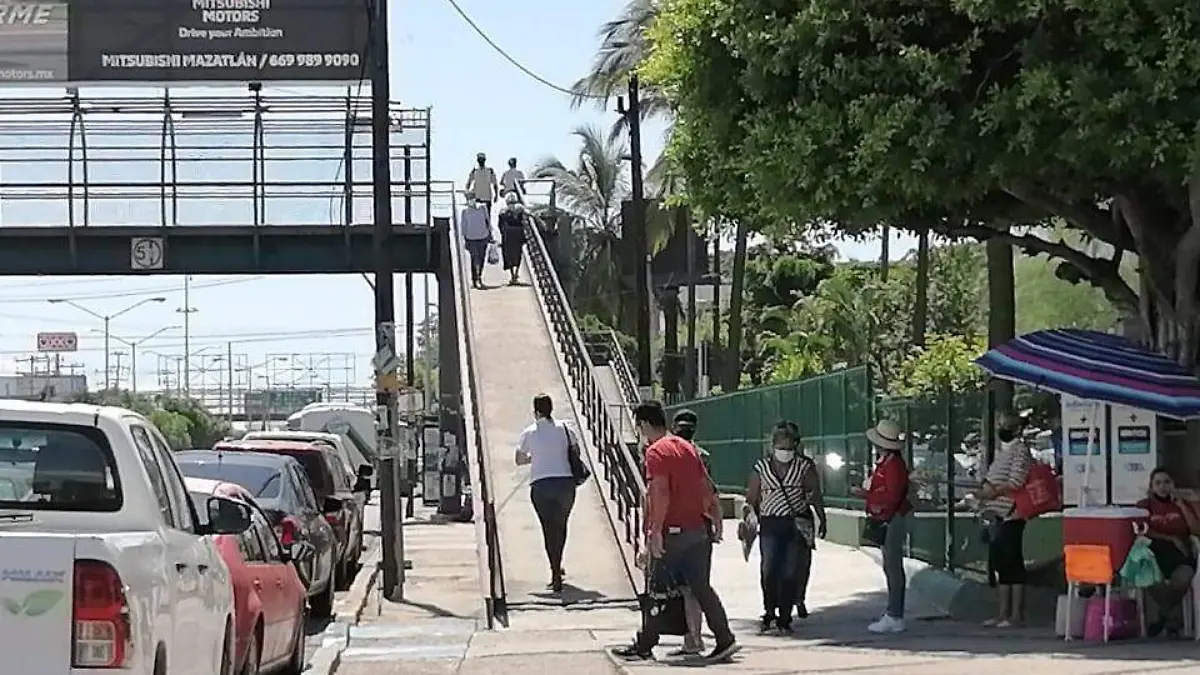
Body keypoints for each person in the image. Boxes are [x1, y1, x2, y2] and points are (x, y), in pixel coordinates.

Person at [613, 401, 739, 663]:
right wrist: (714, 516)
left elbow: (659, 492)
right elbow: (705, 485)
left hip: (674, 532)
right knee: (701, 588)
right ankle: (724, 638)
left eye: (639, 427)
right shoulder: (686, 447)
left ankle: (645, 644)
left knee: (655, 587)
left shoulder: (655, 452)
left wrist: (655, 530)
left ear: (645, 425)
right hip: (697, 529)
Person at [745, 421, 824, 633]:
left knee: (790, 571)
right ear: (772, 446)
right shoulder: (761, 468)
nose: (785, 452)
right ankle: (770, 610)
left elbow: (815, 493)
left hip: (794, 524)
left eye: (789, 448)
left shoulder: (804, 467)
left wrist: (821, 517)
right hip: (770, 524)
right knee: (769, 569)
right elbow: (751, 497)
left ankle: (785, 616)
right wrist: (749, 519)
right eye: (781, 447)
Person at [515, 394, 579, 592]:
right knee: (561, 526)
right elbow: (575, 451)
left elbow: (519, 459)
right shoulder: (566, 429)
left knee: (547, 528)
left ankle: (554, 570)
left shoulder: (529, 432)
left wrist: (535, 458)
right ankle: (557, 565)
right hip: (565, 484)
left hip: (541, 485)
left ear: (535, 411)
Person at [854, 419, 912, 634]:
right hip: (889, 515)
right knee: (890, 566)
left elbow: (892, 494)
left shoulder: (894, 465)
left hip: (892, 517)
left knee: (893, 566)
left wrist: (870, 498)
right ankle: (893, 612)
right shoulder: (887, 462)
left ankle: (895, 615)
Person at [978, 412, 1034, 628]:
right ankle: (1003, 613)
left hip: (1012, 512)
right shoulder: (1005, 451)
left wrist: (992, 493)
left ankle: (1015, 614)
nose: (1001, 427)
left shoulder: (1020, 451)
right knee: (1001, 563)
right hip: (998, 513)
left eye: (1005, 424)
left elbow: (1016, 481)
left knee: (1012, 564)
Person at [1135, 467, 1199, 637]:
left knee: (1182, 580)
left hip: (1181, 556)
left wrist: (1182, 506)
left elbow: (1195, 529)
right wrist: (1170, 538)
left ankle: (1163, 617)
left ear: (1173, 484)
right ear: (1151, 486)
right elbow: (1142, 530)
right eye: (1158, 483)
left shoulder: (1182, 504)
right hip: (1155, 556)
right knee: (1151, 582)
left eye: (1167, 482)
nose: (1163, 486)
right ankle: (1172, 620)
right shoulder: (1144, 506)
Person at [669, 409, 711, 656]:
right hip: (701, 524)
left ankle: (692, 638)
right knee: (696, 585)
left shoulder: (671, 454)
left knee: (688, 587)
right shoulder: (702, 456)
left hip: (684, 525)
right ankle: (693, 636)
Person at [459, 196, 492, 289]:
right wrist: (464, 238)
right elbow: (463, 225)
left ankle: (479, 276)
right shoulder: (465, 211)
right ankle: (475, 279)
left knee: (481, 258)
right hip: (471, 238)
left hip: (483, 236)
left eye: (472, 199)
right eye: (469, 199)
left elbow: (487, 221)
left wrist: (490, 233)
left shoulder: (482, 208)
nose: (471, 201)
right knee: (474, 259)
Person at [497, 192, 529, 285]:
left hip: (508, 235)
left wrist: (502, 233)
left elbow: (500, 224)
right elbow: (525, 220)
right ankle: (516, 274)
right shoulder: (520, 208)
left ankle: (512, 275)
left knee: (508, 255)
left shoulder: (503, 210)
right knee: (518, 254)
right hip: (518, 234)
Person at [466, 152, 498, 217]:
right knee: (478, 217)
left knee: (487, 217)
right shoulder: (475, 171)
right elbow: (468, 184)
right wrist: (468, 194)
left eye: (482, 160)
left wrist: (496, 195)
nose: (481, 161)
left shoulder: (490, 171)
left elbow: (495, 184)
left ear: (484, 160)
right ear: (478, 161)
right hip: (477, 197)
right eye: (480, 160)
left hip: (487, 198)